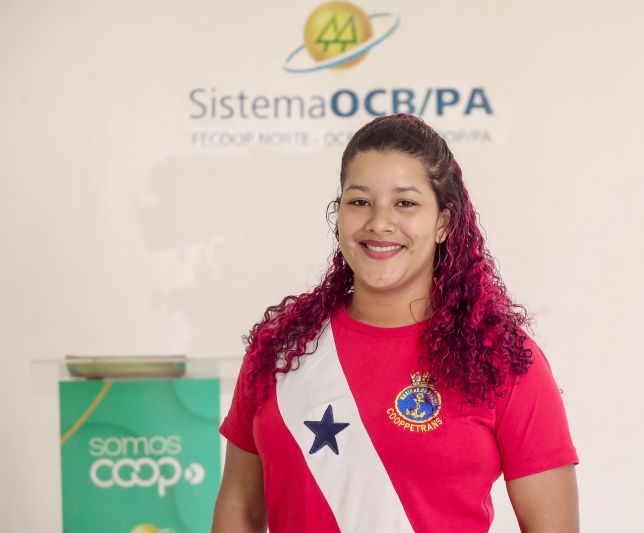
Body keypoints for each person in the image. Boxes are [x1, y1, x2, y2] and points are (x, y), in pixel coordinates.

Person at [211, 114, 579, 533]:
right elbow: (239, 509)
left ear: (443, 222)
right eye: (359, 202)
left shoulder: (502, 358)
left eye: (405, 203)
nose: (379, 222)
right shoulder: (282, 348)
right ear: (338, 214)